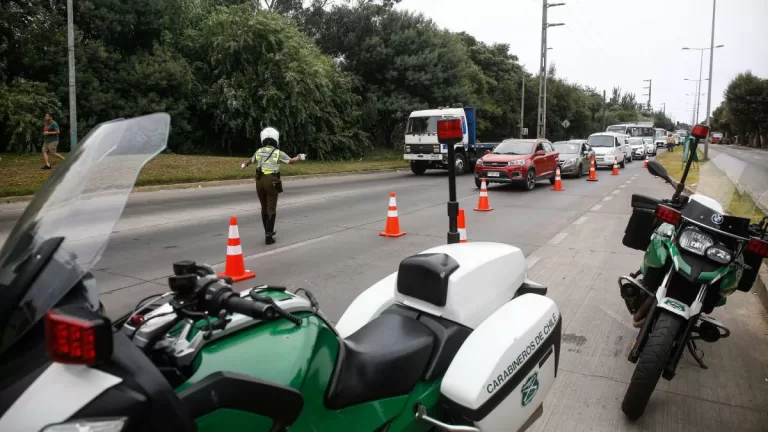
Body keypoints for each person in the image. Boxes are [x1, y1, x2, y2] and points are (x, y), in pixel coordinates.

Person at [241, 127, 305, 245]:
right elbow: (291, 161)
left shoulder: (259, 151)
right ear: (276, 139)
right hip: (272, 181)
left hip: (259, 181)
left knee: (264, 207)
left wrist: (245, 164)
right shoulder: (277, 153)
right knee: (271, 209)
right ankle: (269, 237)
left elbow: (251, 160)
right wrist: (300, 157)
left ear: (263, 139)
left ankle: (267, 230)